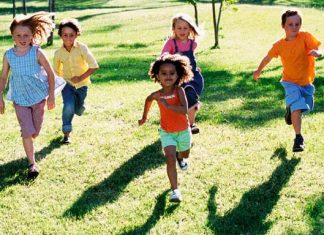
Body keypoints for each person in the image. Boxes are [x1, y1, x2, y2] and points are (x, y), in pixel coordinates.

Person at [253, 9, 322, 152]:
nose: (294, 27)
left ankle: (290, 111)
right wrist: (258, 70)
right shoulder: (279, 45)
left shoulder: (305, 37)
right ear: (283, 26)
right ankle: (298, 138)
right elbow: (267, 58)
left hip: (306, 83)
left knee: (306, 107)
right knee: (297, 107)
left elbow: (318, 49)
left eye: (297, 24)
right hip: (290, 82)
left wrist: (318, 53)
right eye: (290, 24)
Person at [0, 12, 57, 178]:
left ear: (32, 35)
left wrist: (51, 96)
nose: (22, 38)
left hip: (38, 98)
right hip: (19, 99)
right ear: (12, 36)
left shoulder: (37, 52)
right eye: (18, 35)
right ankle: (32, 164)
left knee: (34, 132)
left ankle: (32, 136)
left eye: (26, 35)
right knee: (26, 132)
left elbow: (51, 74)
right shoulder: (8, 55)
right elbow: (3, 77)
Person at [139, 54, 193, 202]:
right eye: (164, 73)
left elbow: (184, 110)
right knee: (169, 159)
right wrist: (144, 117)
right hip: (166, 132)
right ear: (157, 75)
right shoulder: (157, 95)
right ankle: (175, 191)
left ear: (178, 75)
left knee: (185, 154)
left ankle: (180, 158)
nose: (168, 76)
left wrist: (169, 106)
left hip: (183, 131)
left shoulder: (179, 91)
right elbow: (148, 100)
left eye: (172, 73)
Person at [54, 18, 99, 144]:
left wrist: (80, 77)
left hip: (82, 85)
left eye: (71, 35)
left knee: (77, 107)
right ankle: (66, 133)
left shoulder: (82, 48)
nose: (68, 38)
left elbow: (94, 66)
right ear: (61, 36)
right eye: (65, 35)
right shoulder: (58, 53)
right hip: (67, 85)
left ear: (77, 34)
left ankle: (79, 107)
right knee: (68, 106)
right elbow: (56, 72)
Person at [161, 13, 204, 135]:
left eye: (185, 28)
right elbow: (163, 55)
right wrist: (173, 57)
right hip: (178, 79)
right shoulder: (171, 43)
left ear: (190, 29)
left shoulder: (192, 43)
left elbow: (192, 59)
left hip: (194, 77)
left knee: (191, 97)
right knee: (180, 100)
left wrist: (195, 67)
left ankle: (191, 124)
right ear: (173, 29)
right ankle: (181, 124)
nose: (182, 31)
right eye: (179, 28)